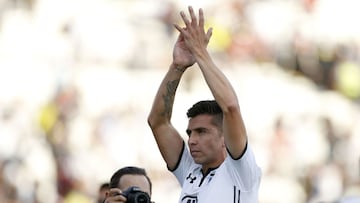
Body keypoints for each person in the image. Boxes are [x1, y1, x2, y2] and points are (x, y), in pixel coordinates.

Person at [147, 6, 261, 203]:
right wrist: (178, 66)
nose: (191, 140)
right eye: (190, 133)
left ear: (225, 137)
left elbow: (231, 107)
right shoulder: (190, 170)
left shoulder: (241, 172)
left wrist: (200, 53)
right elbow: (158, 122)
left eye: (202, 132)